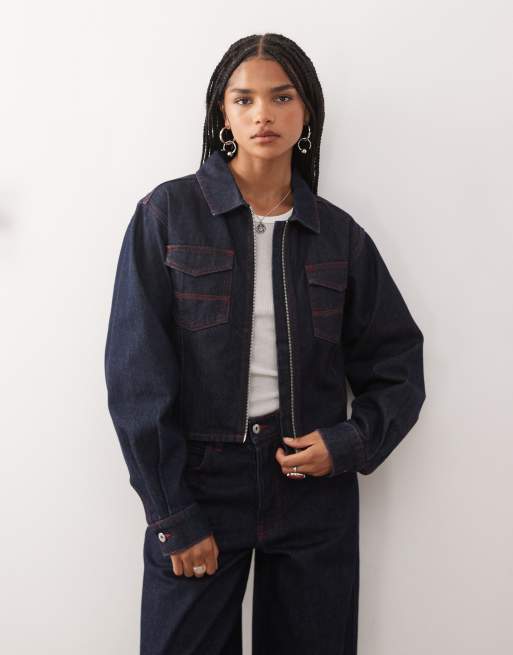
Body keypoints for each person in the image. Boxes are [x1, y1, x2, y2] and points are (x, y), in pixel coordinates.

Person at [104, 32, 426, 655]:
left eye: (282, 98)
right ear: (222, 114)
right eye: (244, 99)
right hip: (201, 483)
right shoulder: (167, 215)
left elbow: (398, 366)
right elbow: (136, 377)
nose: (263, 115)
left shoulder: (339, 236)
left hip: (312, 489)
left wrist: (349, 443)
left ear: (306, 113)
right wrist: (172, 514)